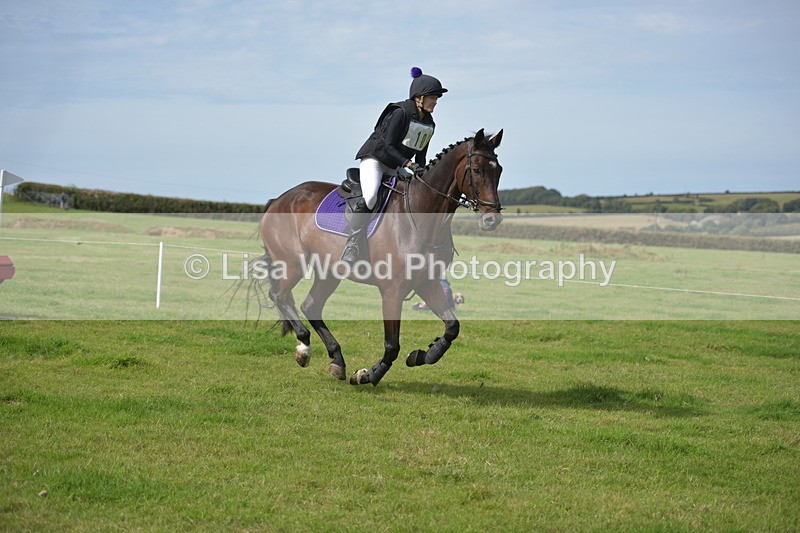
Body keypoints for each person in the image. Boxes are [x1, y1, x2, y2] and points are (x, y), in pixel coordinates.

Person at [341, 67, 448, 263]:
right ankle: (352, 244)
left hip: (396, 166)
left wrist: (421, 170)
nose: (436, 102)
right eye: (433, 97)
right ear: (419, 97)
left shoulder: (429, 122)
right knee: (371, 197)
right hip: (375, 160)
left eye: (437, 98)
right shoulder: (400, 112)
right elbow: (388, 145)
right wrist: (408, 163)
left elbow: (421, 153)